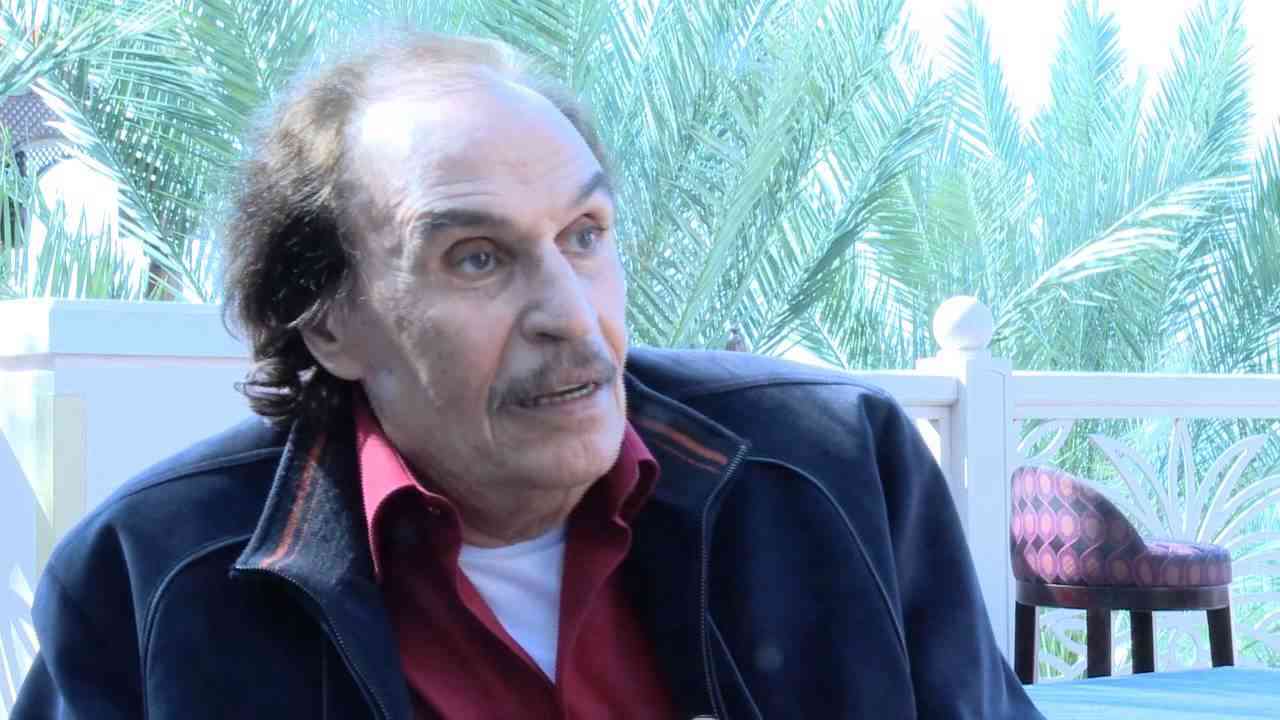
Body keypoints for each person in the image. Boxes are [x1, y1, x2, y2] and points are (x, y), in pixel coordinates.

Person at [13, 32, 1043, 720]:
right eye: (476, 258)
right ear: (330, 324)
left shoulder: (842, 475)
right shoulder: (150, 579)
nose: (570, 315)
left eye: (583, 235)